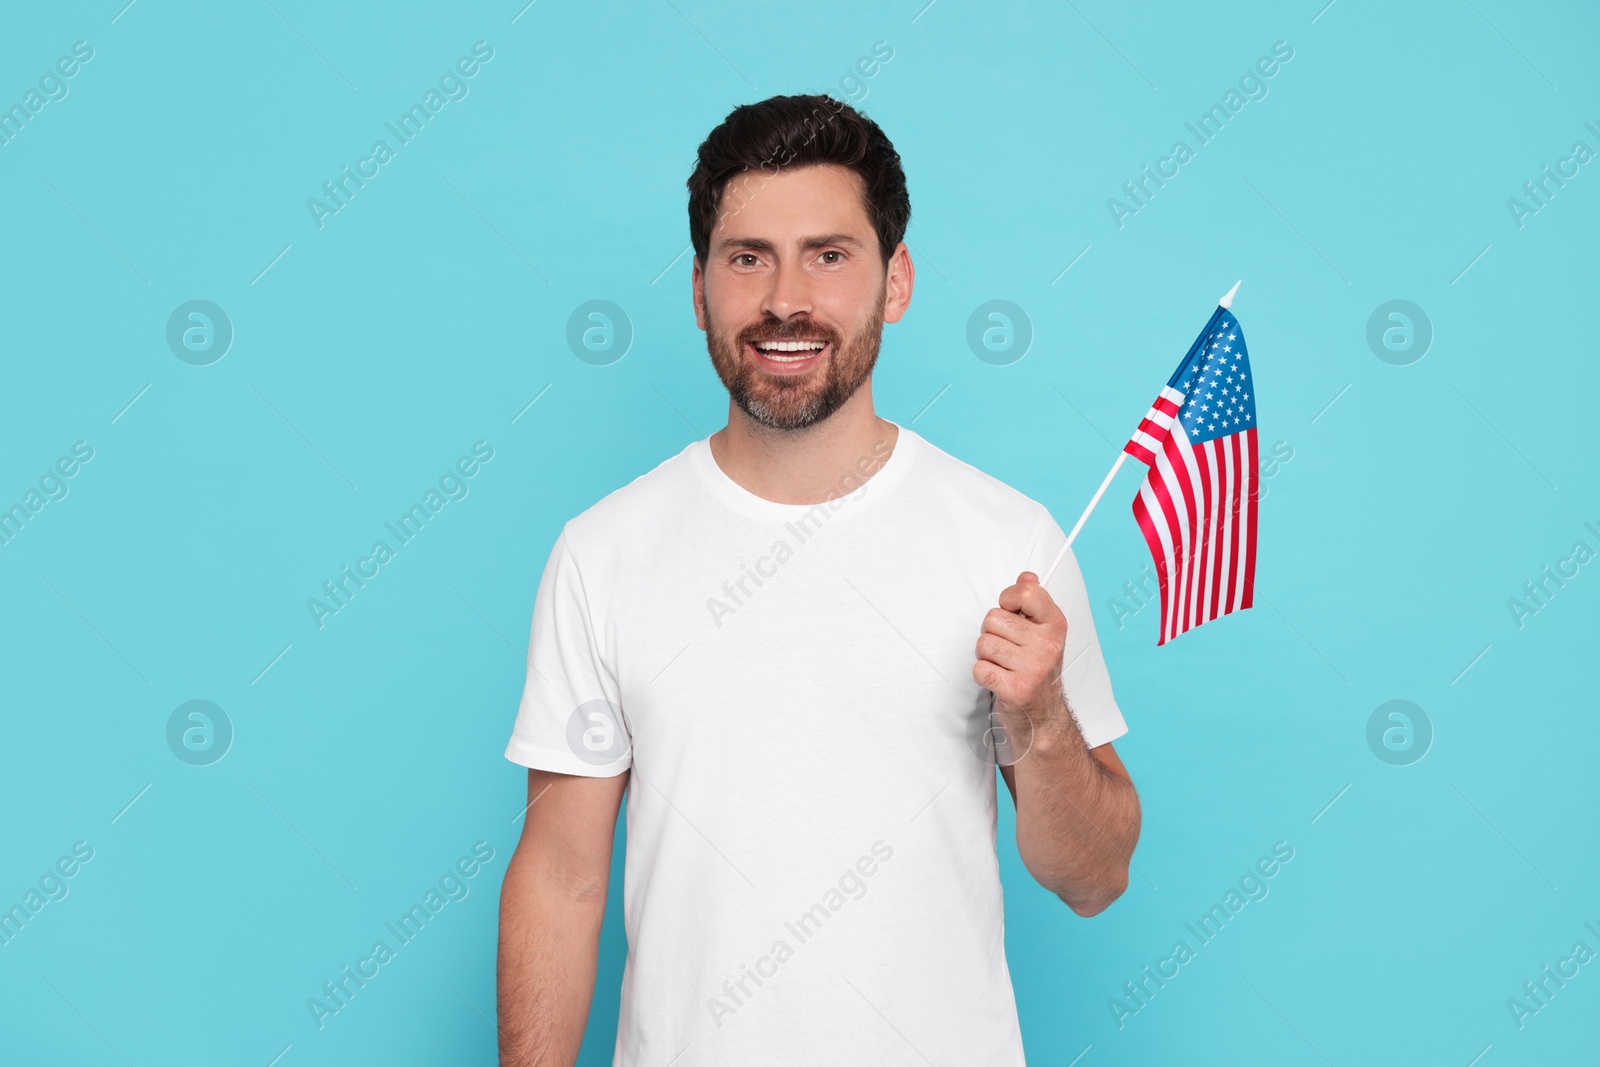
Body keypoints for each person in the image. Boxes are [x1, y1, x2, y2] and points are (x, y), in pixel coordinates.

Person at [497, 94, 1141, 1066]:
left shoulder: (1010, 543)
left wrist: (1043, 716)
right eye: (747, 256)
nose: (784, 297)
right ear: (699, 288)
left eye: (829, 255)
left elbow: (1094, 877)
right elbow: (559, 876)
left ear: (896, 282)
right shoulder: (604, 551)